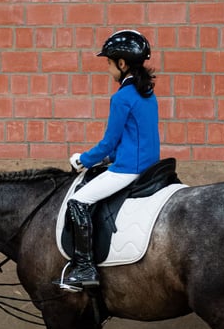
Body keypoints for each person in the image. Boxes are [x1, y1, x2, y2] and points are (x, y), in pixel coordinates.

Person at [57, 29, 160, 291]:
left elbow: (108, 142)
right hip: (151, 167)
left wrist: (83, 160)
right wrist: (110, 158)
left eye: (109, 63)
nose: (108, 68)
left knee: (77, 201)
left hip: (129, 170)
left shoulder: (122, 98)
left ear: (122, 64)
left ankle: (84, 268)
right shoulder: (148, 94)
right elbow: (134, 137)